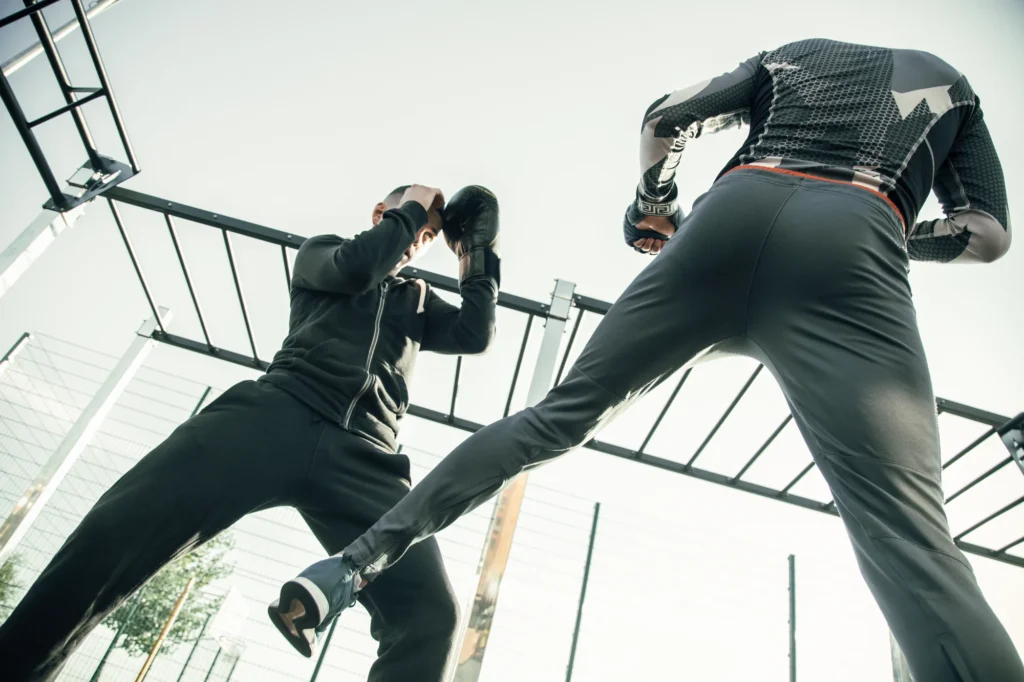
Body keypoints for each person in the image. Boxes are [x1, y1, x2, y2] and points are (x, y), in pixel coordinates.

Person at [273, 39, 1021, 682]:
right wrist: (890, 237)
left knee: (555, 420)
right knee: (910, 534)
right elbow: (985, 233)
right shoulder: (950, 81)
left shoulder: (796, 53)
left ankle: (349, 567)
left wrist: (655, 203)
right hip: (859, 235)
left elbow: (666, 117)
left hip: (729, 215)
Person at [0, 183, 501, 682]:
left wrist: (475, 254)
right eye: (414, 224)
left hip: (367, 456)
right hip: (278, 412)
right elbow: (357, 268)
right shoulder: (323, 252)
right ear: (381, 214)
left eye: (431, 235)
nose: (419, 239)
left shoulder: (418, 300)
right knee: (120, 527)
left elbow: (475, 334)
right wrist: (412, 207)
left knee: (431, 616)